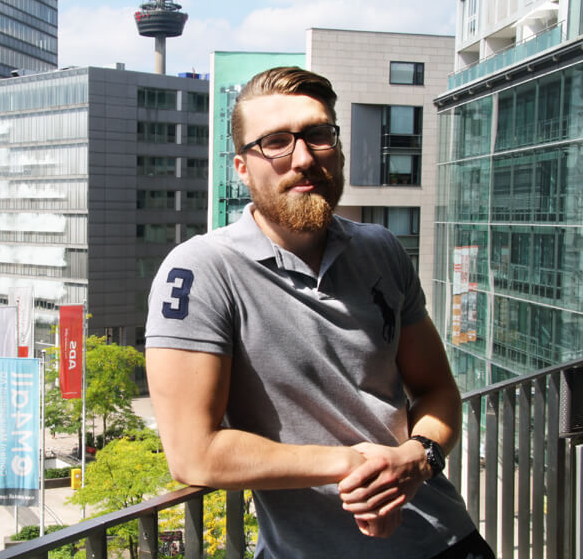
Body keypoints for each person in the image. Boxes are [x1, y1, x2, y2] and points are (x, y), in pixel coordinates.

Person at [145, 67, 494, 558]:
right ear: (242, 167)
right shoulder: (201, 271)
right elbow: (193, 453)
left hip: (449, 542)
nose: (303, 158)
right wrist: (356, 463)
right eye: (276, 143)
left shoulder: (382, 249)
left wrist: (419, 457)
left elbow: (436, 388)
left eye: (318, 135)